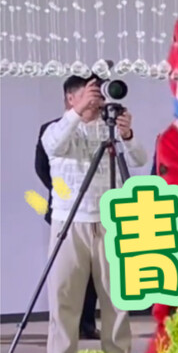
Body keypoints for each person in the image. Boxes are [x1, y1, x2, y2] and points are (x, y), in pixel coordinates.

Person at [42, 75, 147, 353]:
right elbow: (53, 146)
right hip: (69, 221)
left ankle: (117, 349)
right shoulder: (56, 129)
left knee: (116, 299)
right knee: (64, 297)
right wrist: (77, 113)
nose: (96, 99)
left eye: (99, 93)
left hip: (111, 221)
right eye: (89, 93)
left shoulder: (111, 129)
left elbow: (139, 159)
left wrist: (127, 135)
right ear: (70, 98)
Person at [35, 114, 100, 341]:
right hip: (66, 213)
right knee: (66, 279)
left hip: (99, 213)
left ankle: (87, 324)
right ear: (71, 98)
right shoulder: (52, 128)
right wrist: (66, 193)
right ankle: (67, 332)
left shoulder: (105, 128)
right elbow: (42, 169)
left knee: (95, 279)